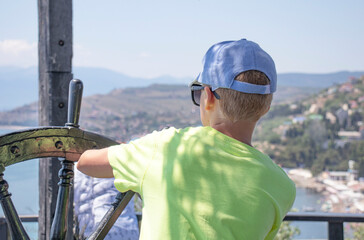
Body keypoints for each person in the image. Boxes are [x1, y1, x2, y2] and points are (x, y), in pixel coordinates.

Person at [73, 38, 296, 240]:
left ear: (207, 97)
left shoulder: (165, 147)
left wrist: (131, 151)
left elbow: (86, 163)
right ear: (266, 106)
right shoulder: (282, 187)